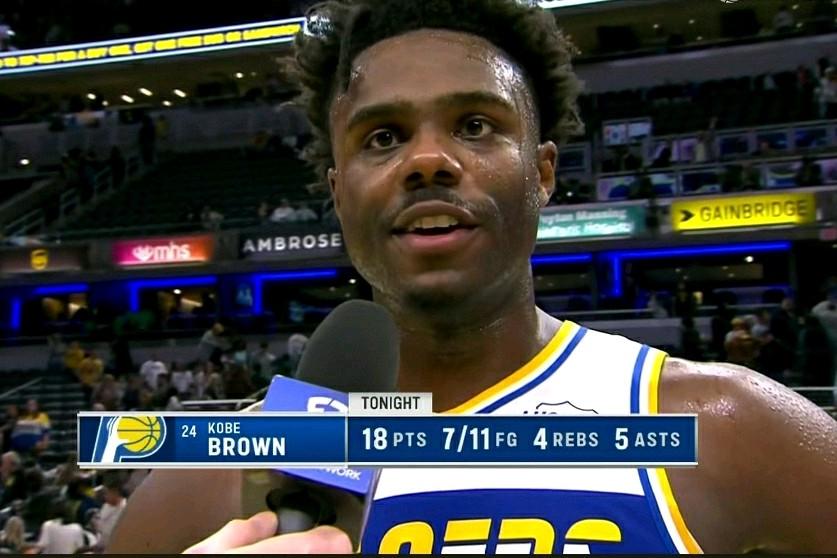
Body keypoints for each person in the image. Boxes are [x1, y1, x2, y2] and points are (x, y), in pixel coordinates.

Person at [110, 1, 837, 554]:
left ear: (542, 173)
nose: (427, 161)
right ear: (338, 193)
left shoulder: (723, 426)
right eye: (383, 137)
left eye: (475, 126)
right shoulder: (212, 477)